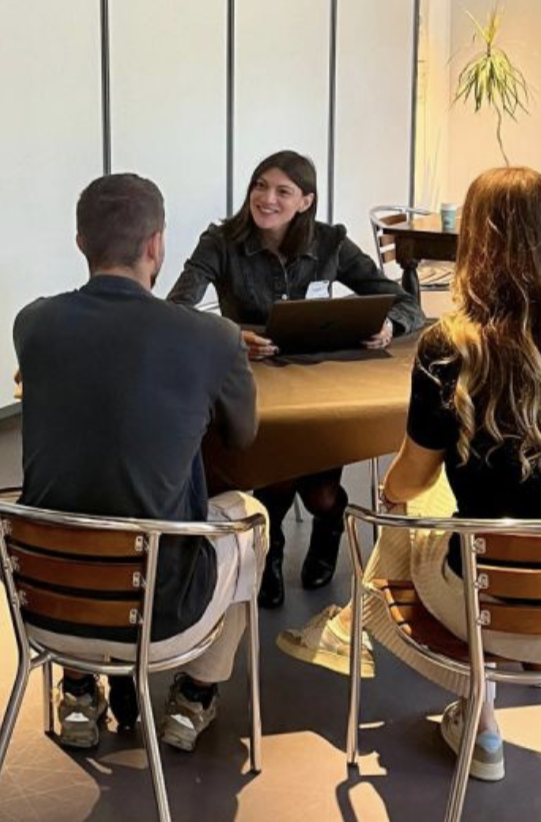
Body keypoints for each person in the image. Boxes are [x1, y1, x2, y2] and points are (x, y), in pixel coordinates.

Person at [279, 167, 541, 782]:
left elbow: (412, 479)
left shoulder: (452, 346)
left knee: (407, 508)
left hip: (490, 610)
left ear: (476, 241)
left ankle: (463, 709)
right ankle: (377, 645)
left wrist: (389, 496)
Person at [14, 172, 266, 752]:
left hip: (43, 607)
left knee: (77, 498)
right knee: (252, 518)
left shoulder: (32, 323)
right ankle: (194, 696)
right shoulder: (214, 337)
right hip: (159, 618)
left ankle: (78, 691)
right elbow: (242, 436)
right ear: (156, 245)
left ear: (81, 242)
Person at [168, 150, 425, 608]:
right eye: (260, 186)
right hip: (251, 382)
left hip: (320, 385)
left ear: (305, 201)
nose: (266, 199)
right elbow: (176, 311)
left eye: (282, 191)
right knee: (276, 483)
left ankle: (329, 520)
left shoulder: (330, 243)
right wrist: (232, 335)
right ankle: (271, 551)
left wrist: (390, 325)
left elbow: (406, 303)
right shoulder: (221, 241)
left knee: (320, 494)